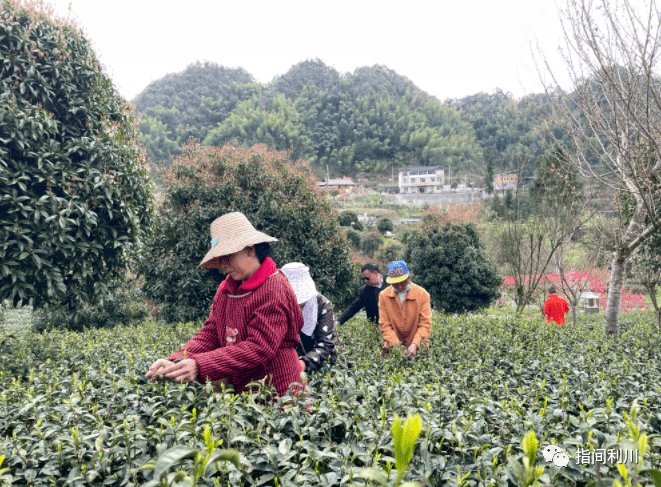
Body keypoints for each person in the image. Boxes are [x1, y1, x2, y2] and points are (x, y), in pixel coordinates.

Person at [145, 212, 304, 397]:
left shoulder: (275, 288)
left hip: (278, 392)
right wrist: (176, 359)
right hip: (243, 394)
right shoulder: (227, 289)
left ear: (249, 249)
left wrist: (200, 365)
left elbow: (258, 347)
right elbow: (212, 332)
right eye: (221, 257)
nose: (223, 264)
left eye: (228, 256)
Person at [280, 262, 338, 373]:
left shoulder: (323, 305)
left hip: (320, 364)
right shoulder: (278, 303)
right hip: (290, 363)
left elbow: (325, 345)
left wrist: (303, 363)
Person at [379, 261, 432, 359]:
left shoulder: (422, 294)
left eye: (403, 282)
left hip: (418, 348)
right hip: (393, 346)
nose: (399, 286)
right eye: (395, 283)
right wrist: (396, 345)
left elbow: (425, 324)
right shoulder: (384, 296)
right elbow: (385, 325)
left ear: (409, 278)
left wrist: (415, 344)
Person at [335, 263, 387, 327]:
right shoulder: (365, 290)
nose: (365, 281)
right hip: (377, 329)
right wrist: (338, 321)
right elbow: (354, 307)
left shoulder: (391, 281)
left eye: (367, 278)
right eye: (364, 278)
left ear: (376, 274)